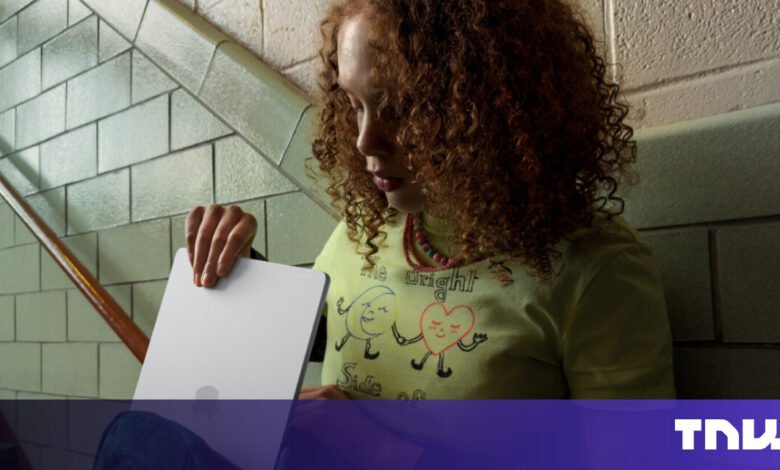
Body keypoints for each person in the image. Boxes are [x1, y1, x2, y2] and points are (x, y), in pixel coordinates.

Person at [186, 0, 675, 401]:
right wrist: (238, 269)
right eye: (354, 105)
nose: (364, 142)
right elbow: (315, 347)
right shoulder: (362, 232)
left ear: (484, 108)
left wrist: (380, 451)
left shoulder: (597, 269)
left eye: (401, 108)